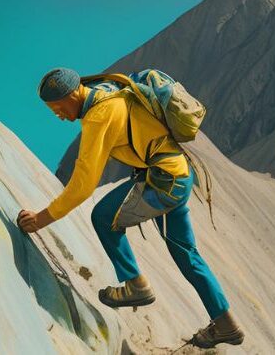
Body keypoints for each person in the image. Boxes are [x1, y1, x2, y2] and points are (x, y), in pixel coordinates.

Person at [17, 67, 244, 348]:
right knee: (188, 256)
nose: (57, 114)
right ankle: (226, 324)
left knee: (103, 217)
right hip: (178, 174)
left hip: (161, 182)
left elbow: (82, 186)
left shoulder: (99, 116)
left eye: (57, 107)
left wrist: (40, 219)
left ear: (73, 94)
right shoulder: (107, 89)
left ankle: (136, 286)